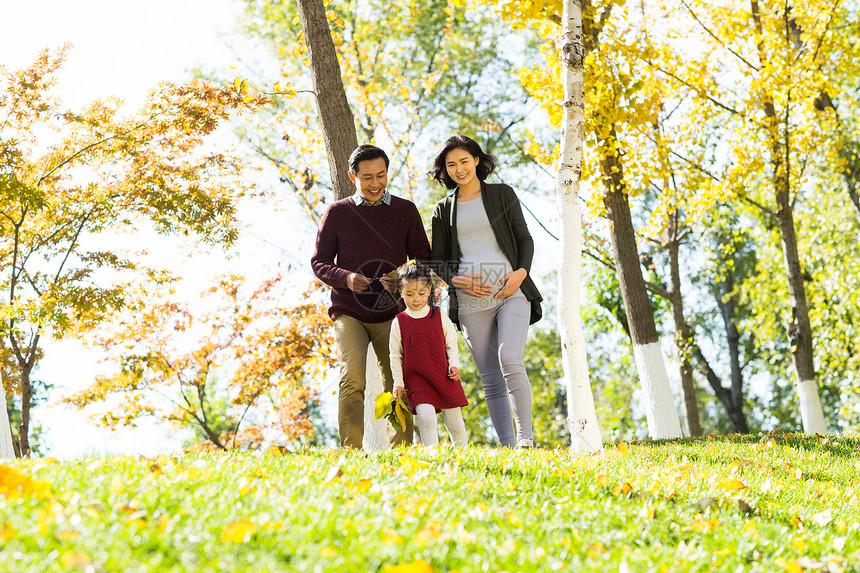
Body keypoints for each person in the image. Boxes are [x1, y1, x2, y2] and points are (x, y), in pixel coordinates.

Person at [311, 144, 430, 448]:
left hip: (391, 312)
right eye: (367, 178)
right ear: (353, 176)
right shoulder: (337, 213)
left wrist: (402, 277)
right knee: (353, 379)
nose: (375, 184)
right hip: (349, 311)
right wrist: (346, 278)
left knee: (397, 382)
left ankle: (401, 451)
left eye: (381, 175)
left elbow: (423, 259)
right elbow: (319, 262)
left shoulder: (405, 210)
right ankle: (351, 450)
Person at [429, 135, 543, 449]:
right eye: (450, 165)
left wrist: (520, 274)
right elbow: (437, 261)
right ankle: (508, 447)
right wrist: (459, 282)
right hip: (469, 301)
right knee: (490, 377)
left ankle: (526, 440)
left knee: (510, 357)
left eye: (464, 161)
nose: (458, 169)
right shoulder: (443, 209)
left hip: (511, 290)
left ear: (477, 160)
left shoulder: (502, 194)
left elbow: (525, 240)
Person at [390, 261, 468, 448]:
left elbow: (451, 343)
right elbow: (395, 355)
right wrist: (398, 382)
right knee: (426, 419)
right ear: (401, 292)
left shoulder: (438, 315)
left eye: (421, 294)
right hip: (417, 380)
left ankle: (464, 455)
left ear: (429, 290)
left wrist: (454, 365)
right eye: (409, 294)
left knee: (455, 423)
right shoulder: (399, 322)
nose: (416, 299)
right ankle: (431, 455)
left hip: (443, 376)